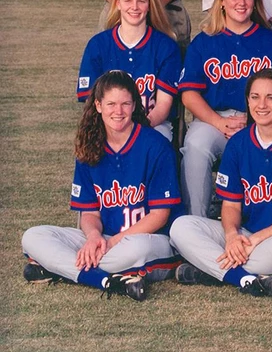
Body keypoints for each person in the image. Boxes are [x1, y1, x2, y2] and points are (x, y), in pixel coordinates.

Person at [22, 71, 182, 301]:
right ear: (98, 105)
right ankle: (105, 279)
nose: (119, 111)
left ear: (134, 105)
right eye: (111, 104)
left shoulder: (155, 145)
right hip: (104, 238)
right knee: (33, 236)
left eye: (126, 103)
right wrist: (94, 237)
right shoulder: (90, 146)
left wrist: (114, 241)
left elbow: (159, 215)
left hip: (145, 238)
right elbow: (89, 211)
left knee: (134, 251)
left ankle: (59, 267)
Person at [170, 69, 272, 298]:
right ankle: (243, 277)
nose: (261, 104)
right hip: (246, 235)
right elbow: (231, 206)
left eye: (270, 97)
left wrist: (257, 239)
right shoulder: (238, 143)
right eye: (255, 97)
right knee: (181, 227)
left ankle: (212, 270)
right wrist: (232, 236)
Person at [178, 0, 272, 217]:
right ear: (221, 1)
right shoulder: (205, 41)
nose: (241, 3)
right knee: (196, 146)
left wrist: (256, 120)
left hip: (264, 120)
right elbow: (188, 94)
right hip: (214, 119)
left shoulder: (271, 41)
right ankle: (195, 222)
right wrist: (219, 122)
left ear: (255, 2)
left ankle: (265, 220)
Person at [77, 0, 181, 141]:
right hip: (109, 125)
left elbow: (163, 105)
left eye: (141, 1)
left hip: (152, 124)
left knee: (157, 140)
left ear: (149, 6)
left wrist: (139, 128)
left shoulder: (165, 46)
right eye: (128, 1)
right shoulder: (98, 45)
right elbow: (90, 100)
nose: (134, 7)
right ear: (118, 3)